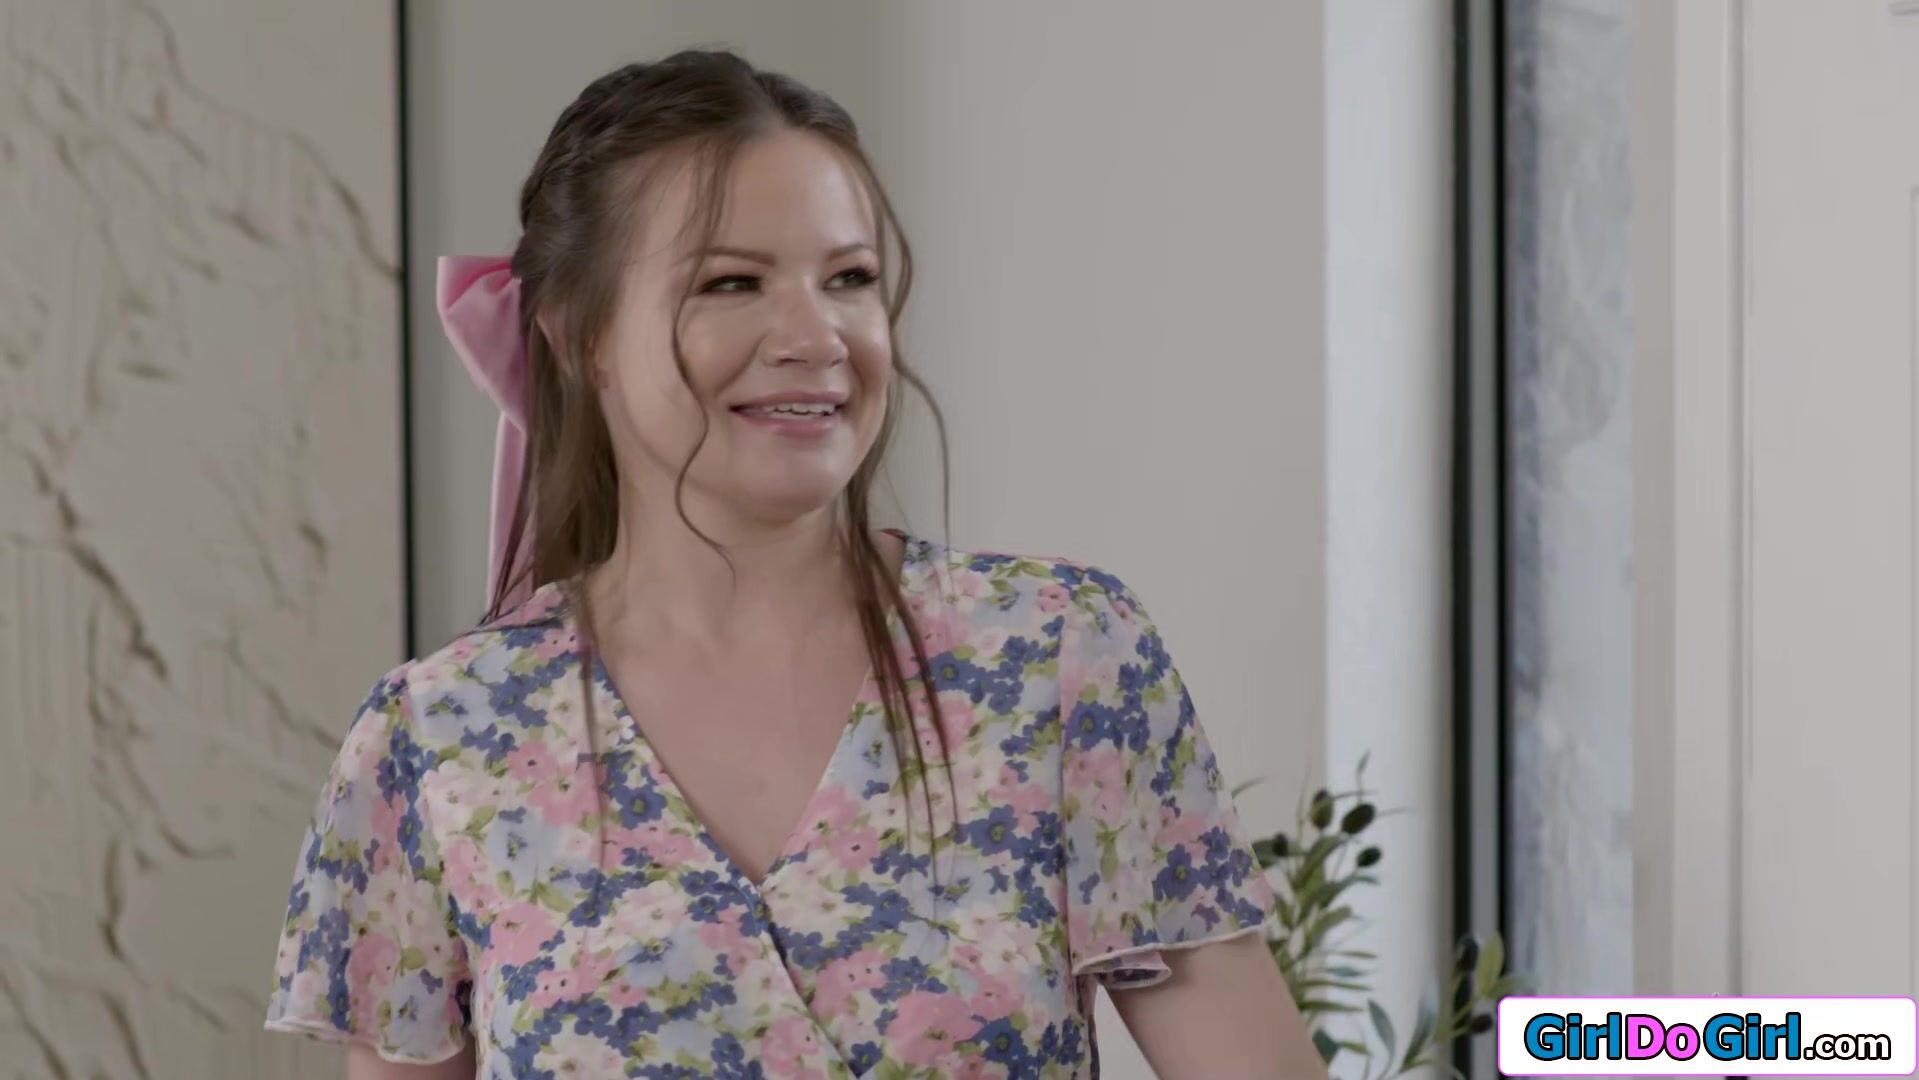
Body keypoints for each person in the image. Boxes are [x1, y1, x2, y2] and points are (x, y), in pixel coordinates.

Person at [262, 49, 1323, 1080]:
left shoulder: (1057, 656)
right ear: (578, 334)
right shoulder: (436, 738)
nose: (816, 336)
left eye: (848, 279)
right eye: (732, 282)